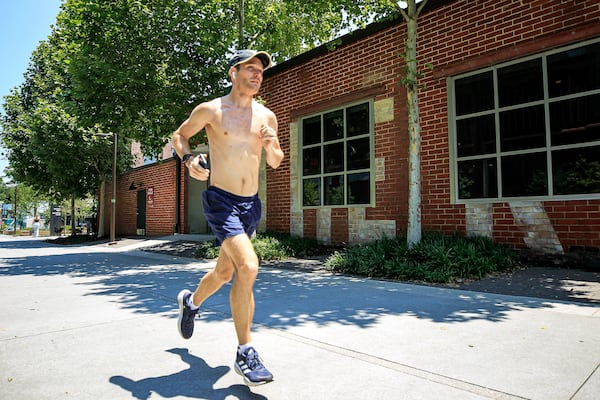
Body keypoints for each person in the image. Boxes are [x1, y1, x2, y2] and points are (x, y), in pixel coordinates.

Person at [172, 49, 284, 386]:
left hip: (251, 204)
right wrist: (189, 159)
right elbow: (179, 135)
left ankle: (190, 302)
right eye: (250, 69)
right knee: (248, 267)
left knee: (224, 272)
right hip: (221, 201)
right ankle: (245, 352)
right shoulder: (211, 110)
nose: (257, 75)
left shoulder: (267, 116)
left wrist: (271, 142)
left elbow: (276, 162)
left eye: (260, 71)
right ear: (233, 73)